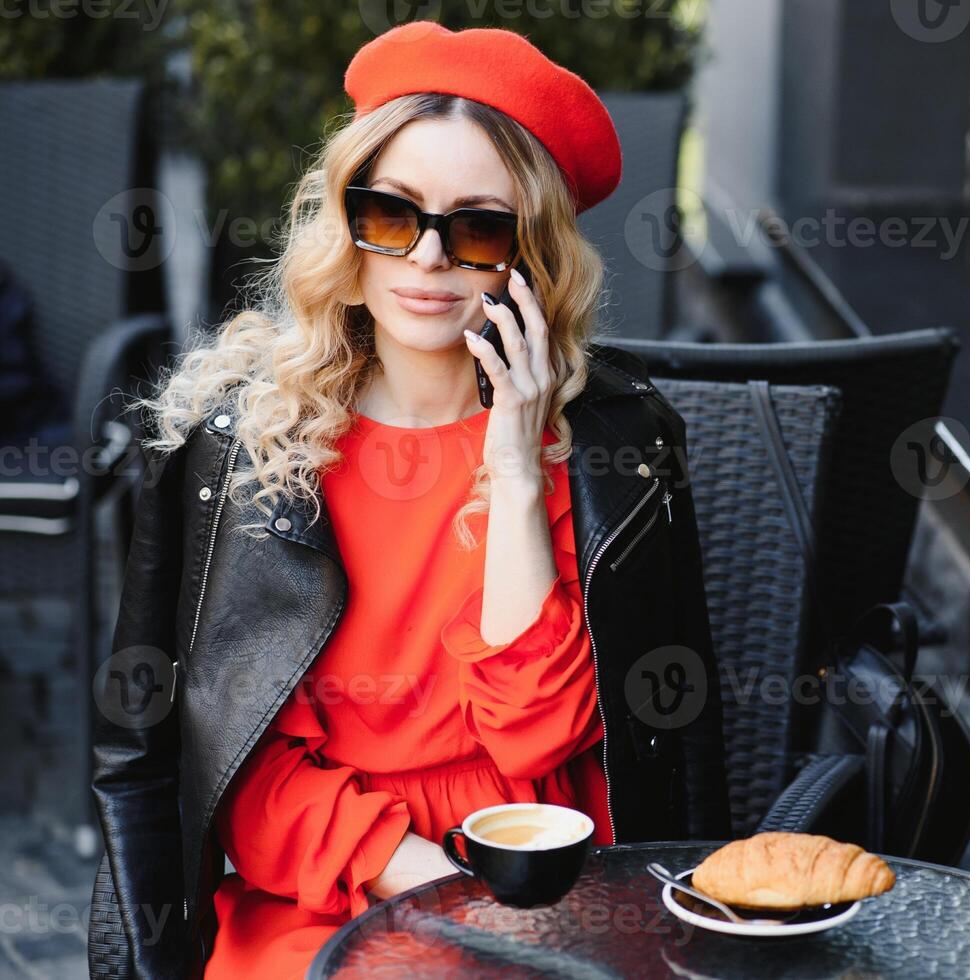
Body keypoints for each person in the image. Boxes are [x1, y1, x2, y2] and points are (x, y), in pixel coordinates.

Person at [87, 22, 731, 979]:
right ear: (348, 226)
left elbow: (541, 735)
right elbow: (233, 760)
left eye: (476, 228)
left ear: (529, 258)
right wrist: (420, 877)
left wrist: (513, 469)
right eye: (394, 215)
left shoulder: (604, 450)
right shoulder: (245, 448)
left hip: (544, 871)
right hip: (330, 876)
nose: (428, 259)